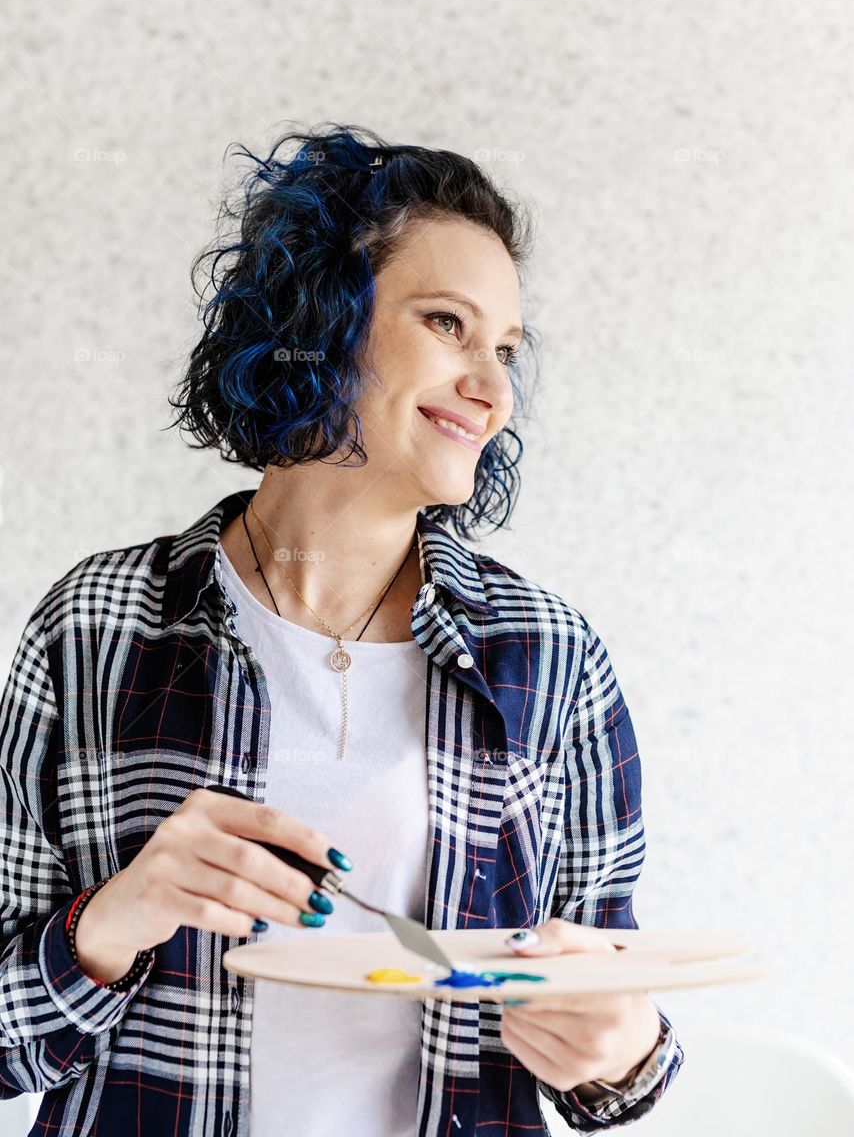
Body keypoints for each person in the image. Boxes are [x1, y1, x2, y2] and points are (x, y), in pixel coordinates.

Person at [0, 124, 683, 1136]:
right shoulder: (99, 625)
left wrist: (616, 1045)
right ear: (321, 319)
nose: (492, 387)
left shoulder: (549, 655)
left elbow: (620, 1039)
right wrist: (114, 919)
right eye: (446, 322)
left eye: (503, 349)